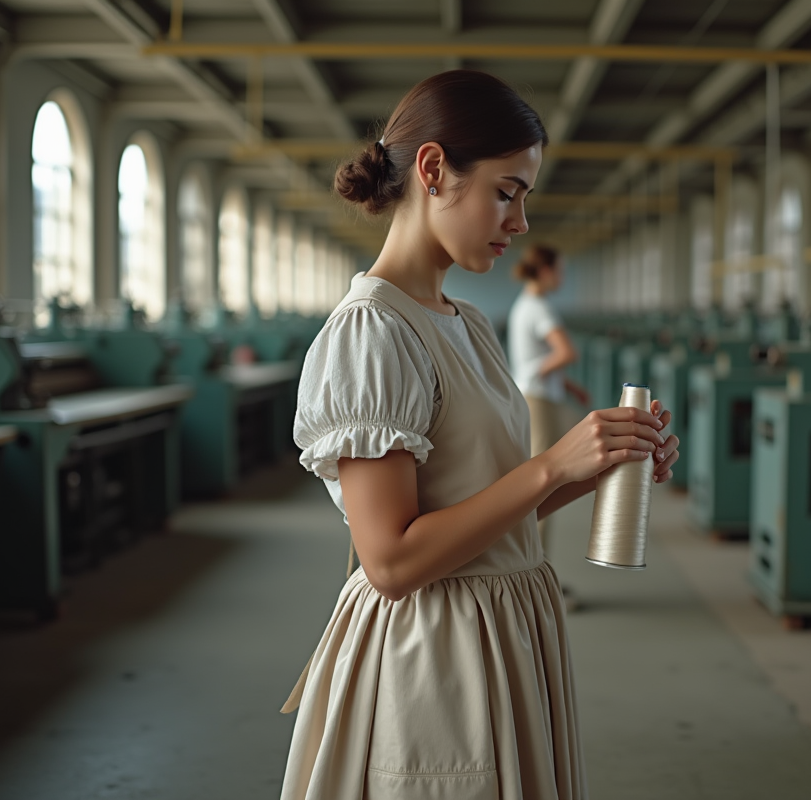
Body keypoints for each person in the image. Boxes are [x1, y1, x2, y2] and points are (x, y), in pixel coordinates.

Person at [280, 70, 680, 800]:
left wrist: (595, 469)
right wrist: (550, 467)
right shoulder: (374, 333)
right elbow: (393, 564)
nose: (519, 223)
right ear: (433, 171)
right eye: (506, 192)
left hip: (505, 630)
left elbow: (487, 509)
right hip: (436, 650)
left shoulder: (469, 325)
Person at [507, 245, 590, 570]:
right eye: (560, 271)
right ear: (545, 272)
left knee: (540, 482)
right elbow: (566, 352)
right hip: (539, 400)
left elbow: (540, 357)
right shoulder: (541, 308)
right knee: (542, 485)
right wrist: (538, 372)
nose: (562, 278)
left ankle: (534, 567)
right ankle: (533, 572)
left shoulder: (524, 305)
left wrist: (569, 386)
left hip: (535, 396)